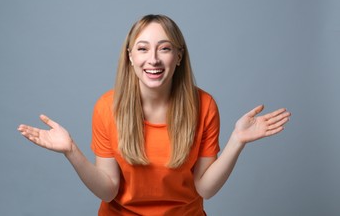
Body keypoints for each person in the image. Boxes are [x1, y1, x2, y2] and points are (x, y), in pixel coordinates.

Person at [18, 14, 291, 215]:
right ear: (130, 57)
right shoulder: (107, 107)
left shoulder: (204, 105)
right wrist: (71, 151)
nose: (154, 59)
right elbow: (108, 190)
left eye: (165, 48)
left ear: (179, 56)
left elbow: (205, 188)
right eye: (143, 48)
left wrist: (236, 142)